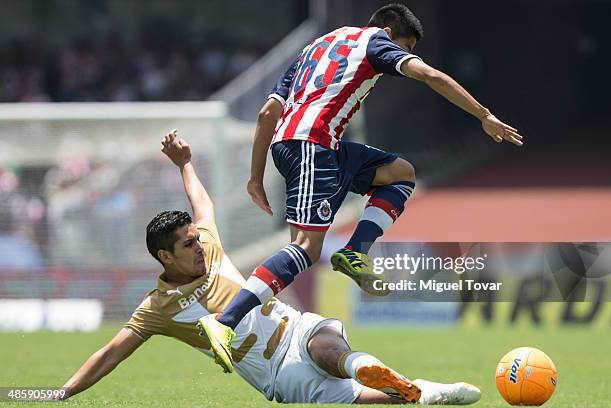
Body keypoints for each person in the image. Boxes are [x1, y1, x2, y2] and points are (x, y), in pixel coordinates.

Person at [199, 3, 523, 373]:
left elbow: (267, 114)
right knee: (305, 248)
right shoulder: (376, 43)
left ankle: (354, 252)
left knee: (400, 172)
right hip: (312, 145)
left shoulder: (316, 47)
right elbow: (431, 75)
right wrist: (484, 115)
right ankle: (225, 322)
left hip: (312, 145)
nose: (402, 56)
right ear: (388, 31)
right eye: (404, 47)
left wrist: (256, 177)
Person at [56, 130, 480, 405]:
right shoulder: (157, 309)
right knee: (383, 398)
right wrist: (63, 392)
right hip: (280, 374)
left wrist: (185, 163)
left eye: (196, 238)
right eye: (187, 245)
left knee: (330, 345)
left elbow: (202, 205)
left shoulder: (209, 244)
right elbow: (111, 353)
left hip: (296, 326)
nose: (199, 246)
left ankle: (379, 374)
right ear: (165, 258)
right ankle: (424, 391)